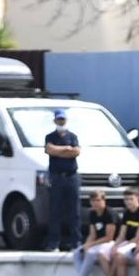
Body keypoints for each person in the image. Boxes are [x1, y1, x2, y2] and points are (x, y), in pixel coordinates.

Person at [66, 191, 118, 276]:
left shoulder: (110, 213)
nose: (96, 203)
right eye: (93, 201)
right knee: (77, 253)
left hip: (111, 242)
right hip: (98, 242)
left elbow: (109, 237)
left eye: (98, 200)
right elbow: (92, 234)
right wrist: (87, 244)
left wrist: (91, 245)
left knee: (91, 253)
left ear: (104, 200)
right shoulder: (92, 214)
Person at [94, 188, 139, 276]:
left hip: (137, 242)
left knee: (118, 254)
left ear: (138, 199)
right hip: (126, 241)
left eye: (131, 199)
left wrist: (120, 248)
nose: (128, 202)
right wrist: (115, 245)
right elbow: (122, 234)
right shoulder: (126, 213)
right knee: (102, 254)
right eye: (126, 199)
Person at [43, 108, 82, 252]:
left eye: (63, 119)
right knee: (55, 211)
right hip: (56, 177)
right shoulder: (50, 136)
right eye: (59, 119)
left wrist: (60, 151)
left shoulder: (73, 136)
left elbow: (76, 152)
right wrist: (66, 149)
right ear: (55, 121)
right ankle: (54, 242)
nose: (61, 122)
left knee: (74, 212)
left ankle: (76, 242)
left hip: (71, 177)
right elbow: (50, 150)